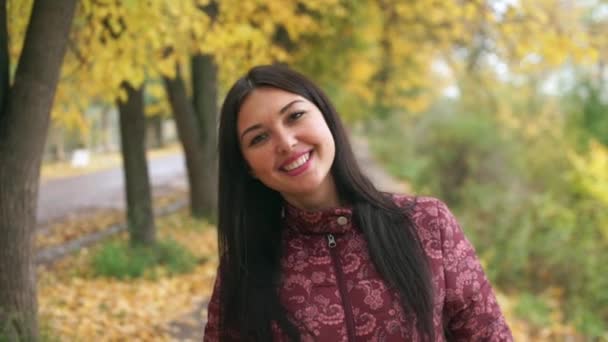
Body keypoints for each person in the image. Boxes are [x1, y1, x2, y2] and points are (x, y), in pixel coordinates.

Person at [203, 64, 513, 341]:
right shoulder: (243, 266)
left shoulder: (425, 223)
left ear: (326, 117)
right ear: (247, 167)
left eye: (295, 116)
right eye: (259, 138)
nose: (286, 143)